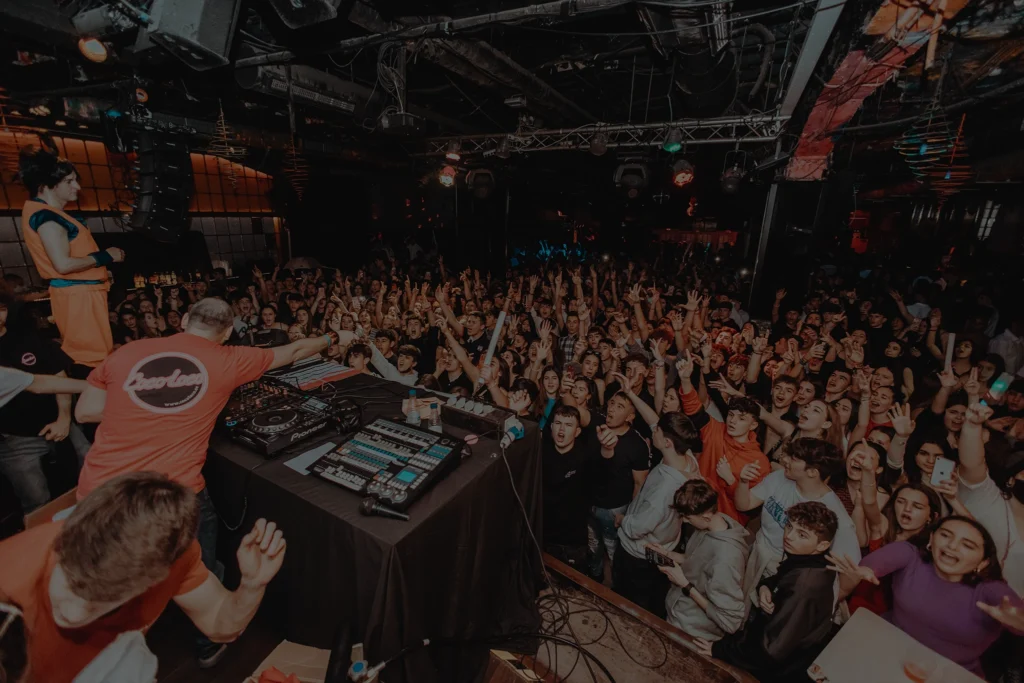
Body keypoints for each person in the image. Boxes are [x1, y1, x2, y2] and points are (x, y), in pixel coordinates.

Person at [73, 297, 330, 667]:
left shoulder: (128, 352)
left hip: (98, 488)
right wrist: (332, 338)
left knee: (102, 576)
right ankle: (206, 643)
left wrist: (142, 405)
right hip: (171, 497)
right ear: (225, 333)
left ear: (185, 320)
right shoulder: (228, 359)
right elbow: (295, 350)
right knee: (200, 567)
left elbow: (85, 411)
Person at [0, 472, 286, 683]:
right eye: (71, 585)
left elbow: (221, 627)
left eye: (102, 604)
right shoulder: (8, 574)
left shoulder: (173, 557)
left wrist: (252, 585)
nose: (74, 613)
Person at [830, 516, 1024, 678]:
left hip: (949, 675)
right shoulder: (912, 556)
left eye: (968, 545)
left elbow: (1016, 610)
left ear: (983, 562)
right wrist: (866, 569)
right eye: (945, 535)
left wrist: (1019, 622)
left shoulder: (990, 589)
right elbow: (878, 561)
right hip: (886, 649)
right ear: (931, 539)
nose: (952, 546)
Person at [697, 502, 841, 683]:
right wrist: (765, 587)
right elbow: (781, 577)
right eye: (789, 526)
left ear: (822, 545)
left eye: (802, 535)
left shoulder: (805, 586)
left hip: (778, 671)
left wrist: (719, 651)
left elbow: (770, 652)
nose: (789, 536)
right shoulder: (811, 560)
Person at [17, 147, 124, 369]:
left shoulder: (49, 214)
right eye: (69, 181)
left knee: (92, 357)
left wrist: (98, 271)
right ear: (47, 185)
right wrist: (106, 256)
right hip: (78, 297)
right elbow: (63, 264)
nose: (77, 187)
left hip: (80, 294)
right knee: (91, 361)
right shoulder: (47, 218)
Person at [735, 437, 860, 601]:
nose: (784, 460)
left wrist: (822, 605)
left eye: (794, 458)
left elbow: (850, 573)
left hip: (787, 575)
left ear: (812, 472)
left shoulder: (835, 515)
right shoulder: (779, 477)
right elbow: (744, 505)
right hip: (758, 556)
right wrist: (743, 482)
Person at [0, 296, 90, 513]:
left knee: (93, 472)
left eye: (1, 308)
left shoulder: (27, 338)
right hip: (15, 437)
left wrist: (64, 418)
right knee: (36, 501)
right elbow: (38, 384)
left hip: (58, 421)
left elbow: (50, 379)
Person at [613, 412, 702, 616]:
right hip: (665, 545)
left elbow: (637, 528)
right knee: (654, 596)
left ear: (667, 442)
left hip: (639, 555)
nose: (653, 431)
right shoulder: (687, 459)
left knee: (632, 605)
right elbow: (655, 421)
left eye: (657, 431)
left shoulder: (664, 490)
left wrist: (622, 520)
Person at [677, 353, 769, 523]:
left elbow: (750, 508)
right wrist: (685, 380)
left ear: (753, 425)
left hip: (726, 524)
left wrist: (731, 481)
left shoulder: (759, 461)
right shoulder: (716, 429)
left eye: (741, 418)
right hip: (694, 514)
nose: (733, 421)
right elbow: (694, 409)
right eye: (731, 415)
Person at [656, 479, 750, 641]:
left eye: (687, 517)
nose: (684, 521)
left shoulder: (726, 558)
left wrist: (685, 584)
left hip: (693, 632)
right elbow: (693, 559)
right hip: (678, 614)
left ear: (706, 517)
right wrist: (666, 554)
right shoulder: (711, 525)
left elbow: (730, 621)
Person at [587, 393, 651, 580]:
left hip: (614, 510)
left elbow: (639, 484)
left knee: (613, 550)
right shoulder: (597, 427)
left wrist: (629, 516)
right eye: (612, 403)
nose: (612, 409)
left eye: (620, 406)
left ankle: (615, 586)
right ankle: (593, 579)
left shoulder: (637, 444)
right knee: (592, 547)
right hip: (590, 502)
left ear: (630, 417)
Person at [542, 405, 590, 570]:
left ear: (577, 432)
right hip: (543, 535)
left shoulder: (585, 458)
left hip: (571, 543)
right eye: (558, 423)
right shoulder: (542, 451)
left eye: (568, 425)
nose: (561, 429)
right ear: (551, 427)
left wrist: (607, 449)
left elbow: (604, 463)